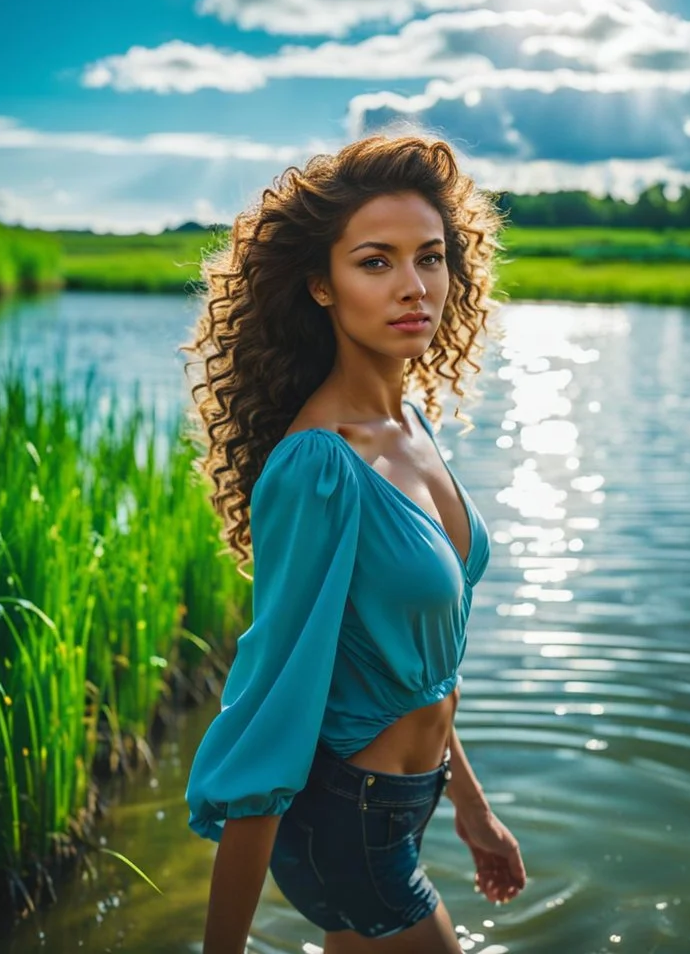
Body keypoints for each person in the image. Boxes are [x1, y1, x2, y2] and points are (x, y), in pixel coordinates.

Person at [180, 134, 527, 953]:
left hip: (404, 803)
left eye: (432, 258)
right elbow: (270, 709)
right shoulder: (320, 467)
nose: (415, 287)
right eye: (377, 262)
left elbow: (412, 663)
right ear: (321, 286)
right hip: (348, 821)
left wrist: (470, 810)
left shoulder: (408, 424)